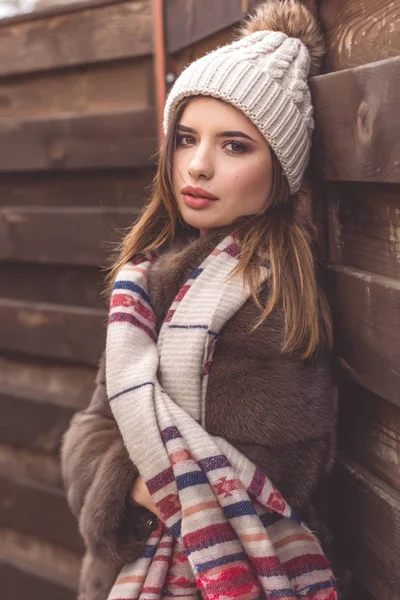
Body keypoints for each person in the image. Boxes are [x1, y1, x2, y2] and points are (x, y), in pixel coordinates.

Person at [61, 2, 342, 599]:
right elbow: (94, 422)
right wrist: (126, 483)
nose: (198, 165)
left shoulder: (273, 295)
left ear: (280, 171)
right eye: (186, 138)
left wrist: (143, 477)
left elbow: (277, 470)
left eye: (235, 146)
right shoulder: (145, 277)